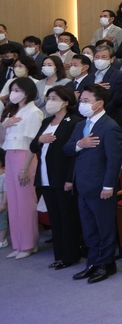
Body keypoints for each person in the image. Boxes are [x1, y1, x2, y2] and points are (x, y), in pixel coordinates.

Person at [63, 85, 122, 282]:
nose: (82, 104)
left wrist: (108, 186)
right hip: (82, 185)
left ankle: (107, 264)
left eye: (86, 101)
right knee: (88, 227)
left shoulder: (110, 126)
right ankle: (92, 262)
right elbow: (67, 149)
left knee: (104, 227)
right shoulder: (80, 125)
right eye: (81, 101)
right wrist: (80, 144)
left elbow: (114, 160)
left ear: (99, 104)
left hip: (101, 187)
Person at [30, 86, 83, 270]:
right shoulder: (46, 121)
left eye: (54, 98)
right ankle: (59, 255)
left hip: (62, 177)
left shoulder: (74, 122)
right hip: (45, 176)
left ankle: (70, 255)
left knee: (67, 217)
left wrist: (70, 179)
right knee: (55, 218)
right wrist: (40, 140)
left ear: (65, 102)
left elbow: (74, 154)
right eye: (48, 98)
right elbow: (32, 146)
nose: (50, 101)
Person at [0, 77, 43, 259]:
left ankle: (28, 244)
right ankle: (17, 243)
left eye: (17, 90)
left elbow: (34, 143)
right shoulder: (14, 111)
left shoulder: (34, 112)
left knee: (25, 202)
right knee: (14, 201)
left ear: (27, 92)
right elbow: (2, 140)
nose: (13, 93)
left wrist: (25, 168)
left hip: (24, 156)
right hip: (10, 155)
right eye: (12, 90)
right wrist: (4, 125)